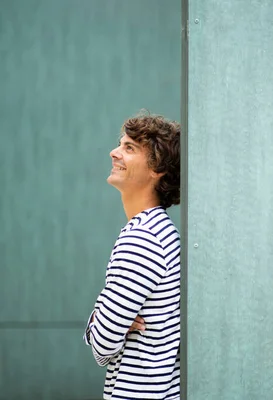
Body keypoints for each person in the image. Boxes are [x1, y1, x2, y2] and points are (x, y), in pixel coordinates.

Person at [83, 111, 181, 400]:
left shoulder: (142, 238)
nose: (114, 152)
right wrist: (111, 319)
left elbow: (102, 346)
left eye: (129, 148)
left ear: (158, 168)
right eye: (120, 144)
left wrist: (96, 319)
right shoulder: (160, 230)